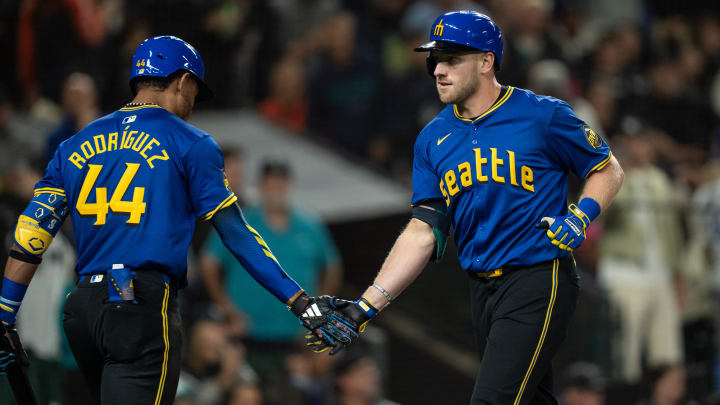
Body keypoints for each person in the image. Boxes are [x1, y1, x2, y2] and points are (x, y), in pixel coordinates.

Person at [0, 35, 352, 405]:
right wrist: (300, 301)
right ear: (183, 81)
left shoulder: (73, 145)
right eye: (195, 92)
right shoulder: (192, 143)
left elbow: (30, 235)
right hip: (139, 308)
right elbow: (237, 234)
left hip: (83, 310)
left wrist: (5, 314)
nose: (193, 104)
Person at [307, 11, 625, 404]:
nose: (439, 70)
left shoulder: (542, 114)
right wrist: (365, 306)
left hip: (538, 277)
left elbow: (607, 168)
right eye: (435, 60)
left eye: (452, 59)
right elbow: (423, 231)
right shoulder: (432, 138)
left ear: (486, 61)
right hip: (481, 290)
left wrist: (581, 215)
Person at [201, 160, 342, 376]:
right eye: (270, 184)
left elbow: (332, 266)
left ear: (289, 186)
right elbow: (209, 262)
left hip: (294, 336)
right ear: (261, 186)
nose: (276, 189)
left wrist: (318, 309)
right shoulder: (240, 221)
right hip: (244, 333)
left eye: (281, 184)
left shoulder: (310, 225)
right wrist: (225, 306)